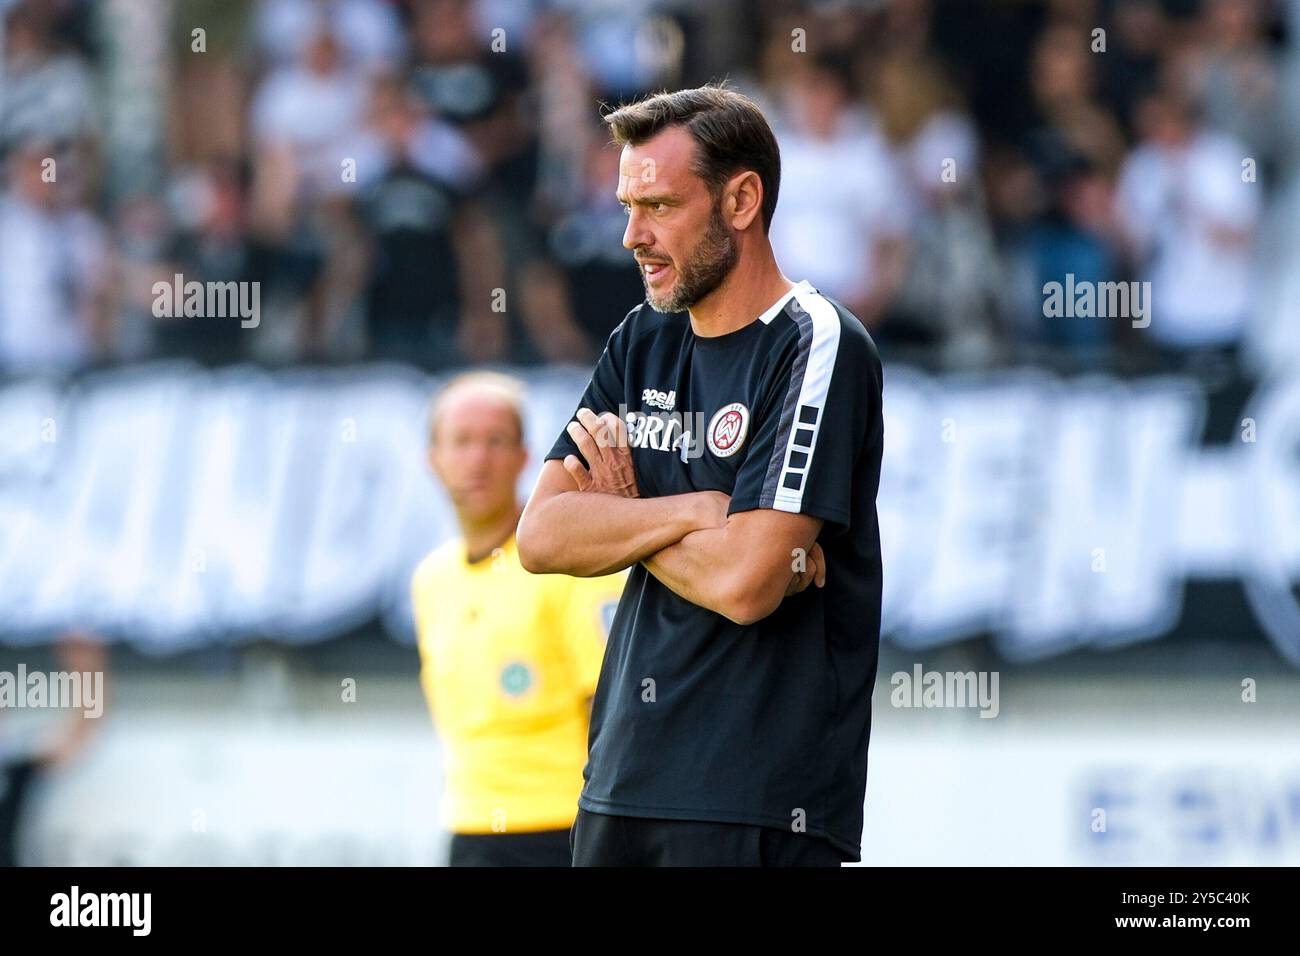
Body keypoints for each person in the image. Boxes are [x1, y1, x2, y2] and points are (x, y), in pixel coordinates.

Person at [516, 84, 885, 866]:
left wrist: (624, 515)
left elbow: (749, 584)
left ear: (742, 200)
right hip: (617, 783)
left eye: (658, 206)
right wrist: (697, 510)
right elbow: (542, 536)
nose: (631, 235)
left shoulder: (816, 343)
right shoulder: (641, 338)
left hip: (756, 803)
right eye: (626, 205)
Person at [410, 371, 625, 866]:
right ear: (433, 460)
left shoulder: (568, 563)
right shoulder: (431, 580)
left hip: (562, 829)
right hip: (469, 829)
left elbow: (614, 714)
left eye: (496, 441)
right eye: (460, 442)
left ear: (526, 457)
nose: (478, 460)